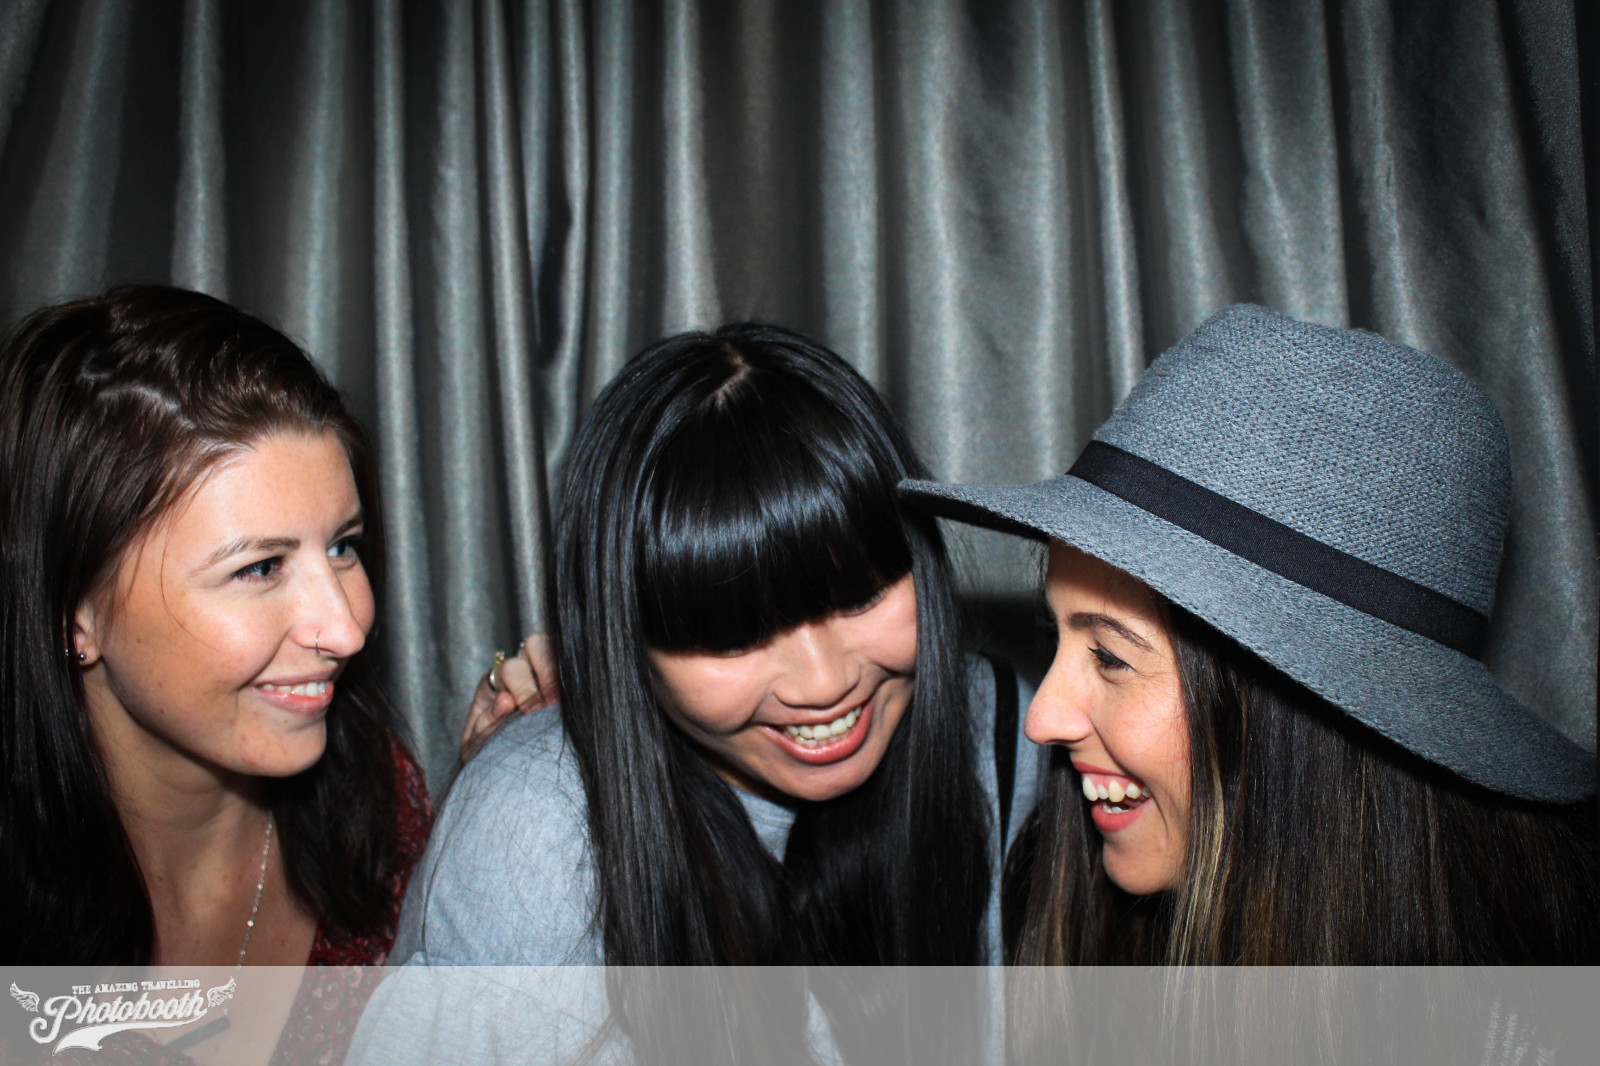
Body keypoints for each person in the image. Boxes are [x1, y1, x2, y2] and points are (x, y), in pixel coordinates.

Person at [352, 323, 1036, 1065]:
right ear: (626, 641)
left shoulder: (1009, 735)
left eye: (862, 596)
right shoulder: (537, 840)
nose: (825, 682)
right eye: (736, 635)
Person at [900, 304, 1598, 973]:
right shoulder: (1069, 915)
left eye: (1110, 656)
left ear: (1302, 719)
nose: (1042, 719)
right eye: (1055, 637)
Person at [0, 285, 429, 1060]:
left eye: (343, 546)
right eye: (260, 568)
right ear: (73, 616)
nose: (346, 628)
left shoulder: (377, 802)